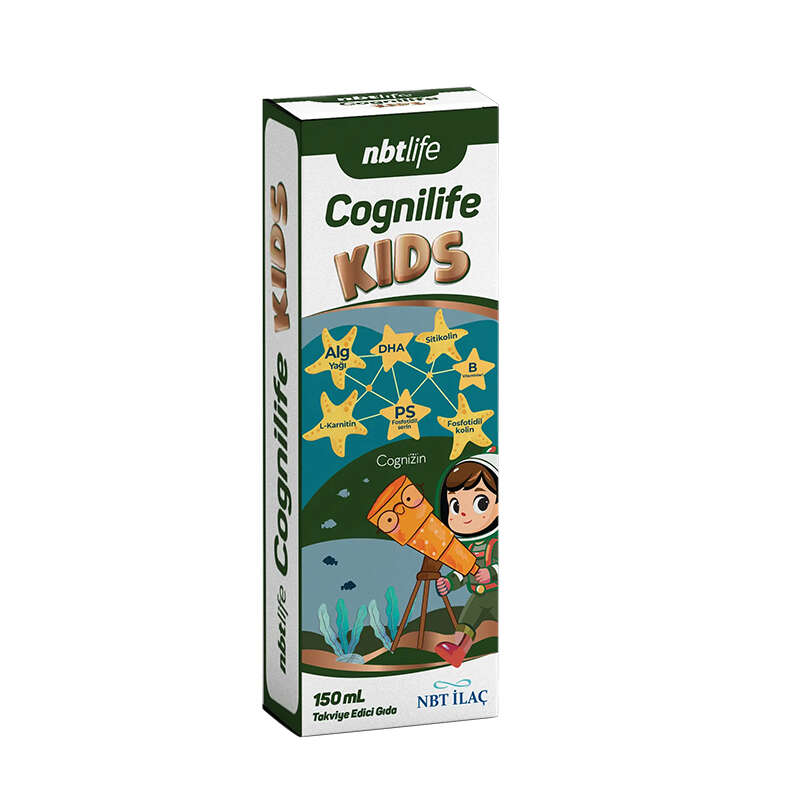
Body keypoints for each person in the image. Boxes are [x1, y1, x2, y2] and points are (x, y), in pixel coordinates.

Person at [434, 450, 498, 668]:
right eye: (455, 506)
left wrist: (491, 572)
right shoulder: (466, 548)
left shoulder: (496, 542)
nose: (463, 514)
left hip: (496, 594)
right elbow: (461, 572)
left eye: (480, 503)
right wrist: (449, 583)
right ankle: (458, 651)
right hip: (478, 596)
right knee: (465, 621)